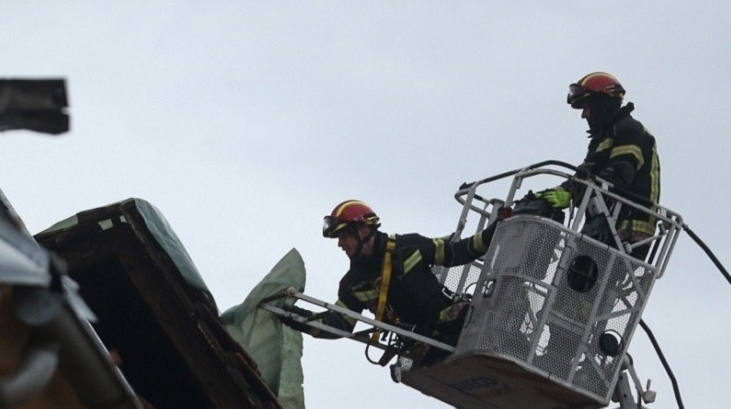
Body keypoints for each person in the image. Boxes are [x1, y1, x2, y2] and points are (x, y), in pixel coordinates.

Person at [281, 199, 498, 354]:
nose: (340, 244)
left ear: (364, 230)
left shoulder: (409, 247)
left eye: (344, 235)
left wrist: (495, 230)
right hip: (424, 345)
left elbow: (457, 252)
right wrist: (294, 317)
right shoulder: (352, 284)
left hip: (458, 326)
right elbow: (337, 324)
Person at [533, 72, 660, 258]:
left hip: (628, 230)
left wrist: (572, 192)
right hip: (605, 225)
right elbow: (586, 174)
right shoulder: (603, 138)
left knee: (583, 281)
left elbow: (617, 176)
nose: (584, 115)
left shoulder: (630, 131)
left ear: (601, 104)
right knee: (572, 282)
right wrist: (556, 192)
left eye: (586, 107)